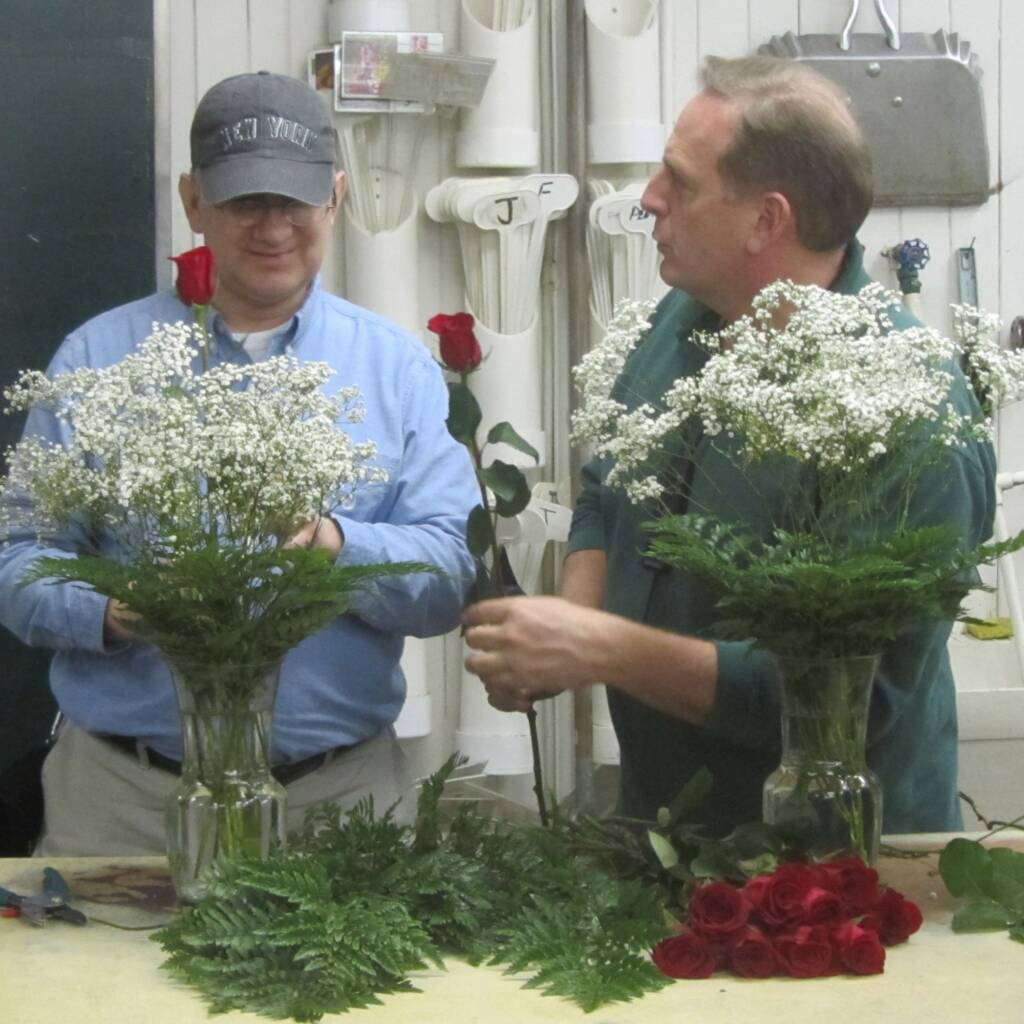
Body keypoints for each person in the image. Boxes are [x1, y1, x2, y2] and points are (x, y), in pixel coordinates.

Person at [464, 55, 996, 836]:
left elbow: (845, 701)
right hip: (667, 833)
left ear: (765, 221)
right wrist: (561, 627)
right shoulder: (675, 325)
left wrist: (605, 649)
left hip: (835, 871)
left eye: (680, 182)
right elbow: (608, 492)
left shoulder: (904, 414)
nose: (649, 200)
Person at [0, 71, 478, 855]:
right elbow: (19, 559)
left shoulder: (397, 370)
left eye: (293, 199)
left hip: (342, 804)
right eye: (243, 200)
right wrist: (113, 612)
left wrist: (334, 545)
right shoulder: (96, 359)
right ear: (193, 201)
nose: (273, 225)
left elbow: (449, 580)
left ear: (336, 197)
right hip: (123, 802)